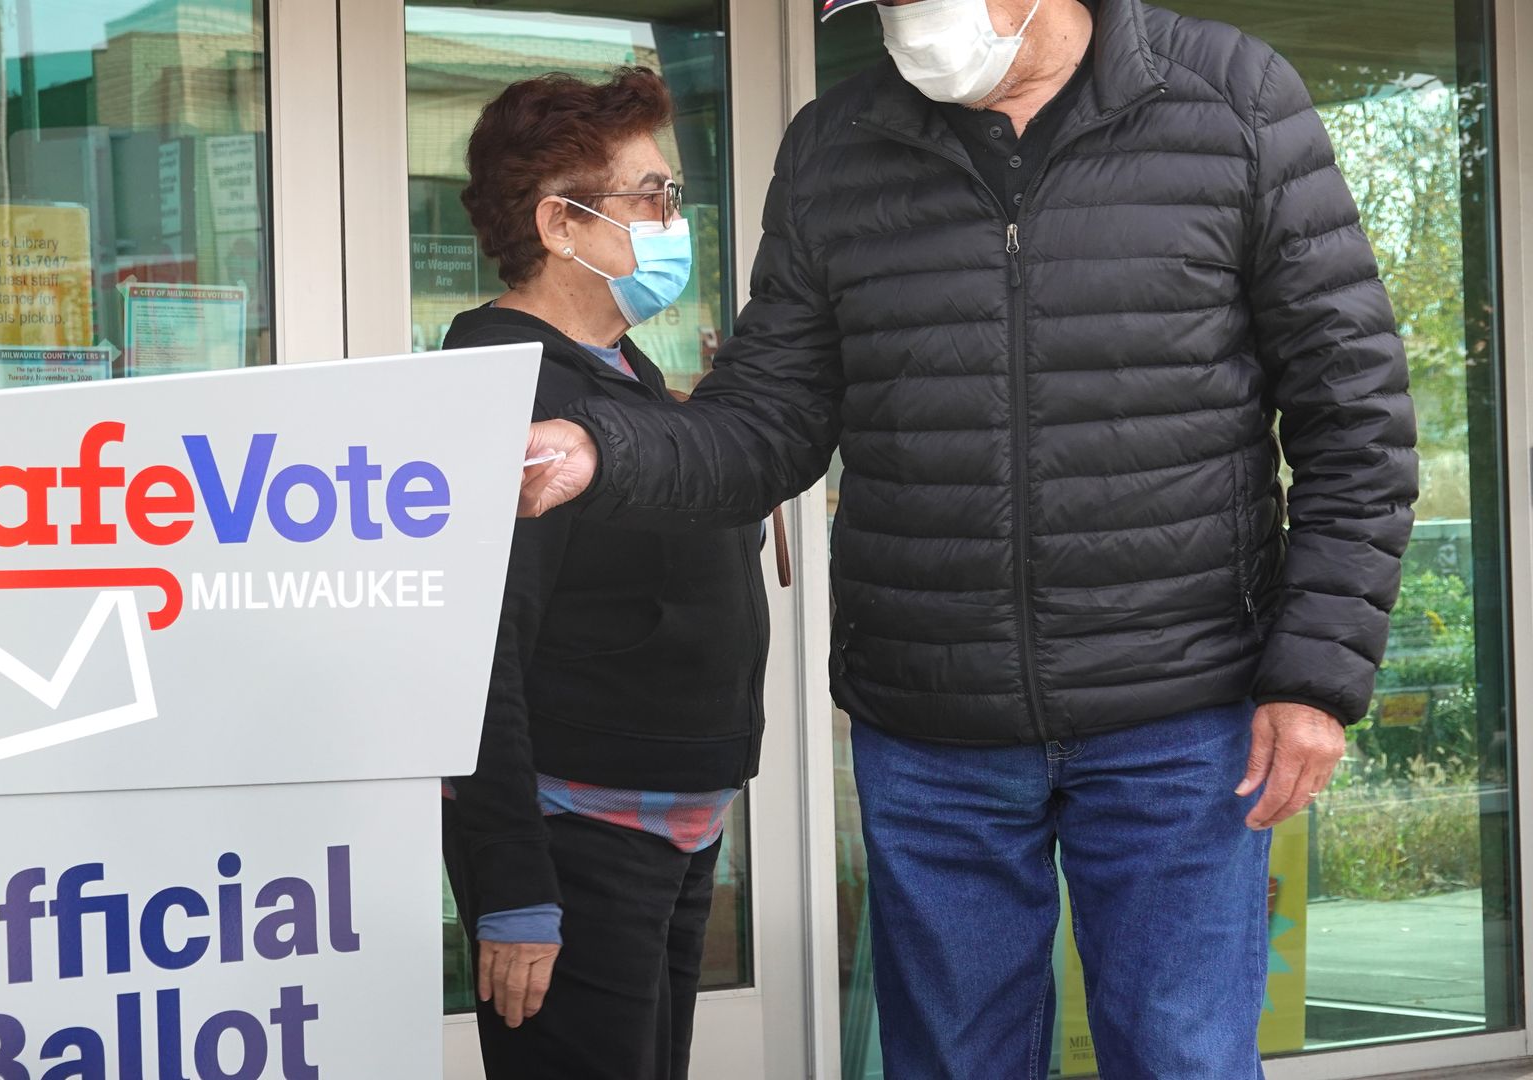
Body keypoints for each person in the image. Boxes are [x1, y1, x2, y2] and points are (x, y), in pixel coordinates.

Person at [519, 1, 1418, 1076]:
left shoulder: (1231, 99)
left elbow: (1353, 414)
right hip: (930, 721)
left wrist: (1315, 677)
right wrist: (600, 451)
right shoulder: (835, 147)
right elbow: (767, 422)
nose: (908, 25)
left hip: (1180, 710)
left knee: (1180, 1055)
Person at [440, 68, 772, 1080]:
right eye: (653, 195)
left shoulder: (629, 377)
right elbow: (475, 659)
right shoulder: (503, 388)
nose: (676, 219)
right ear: (561, 224)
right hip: (576, 842)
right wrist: (514, 889)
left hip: (670, 833)